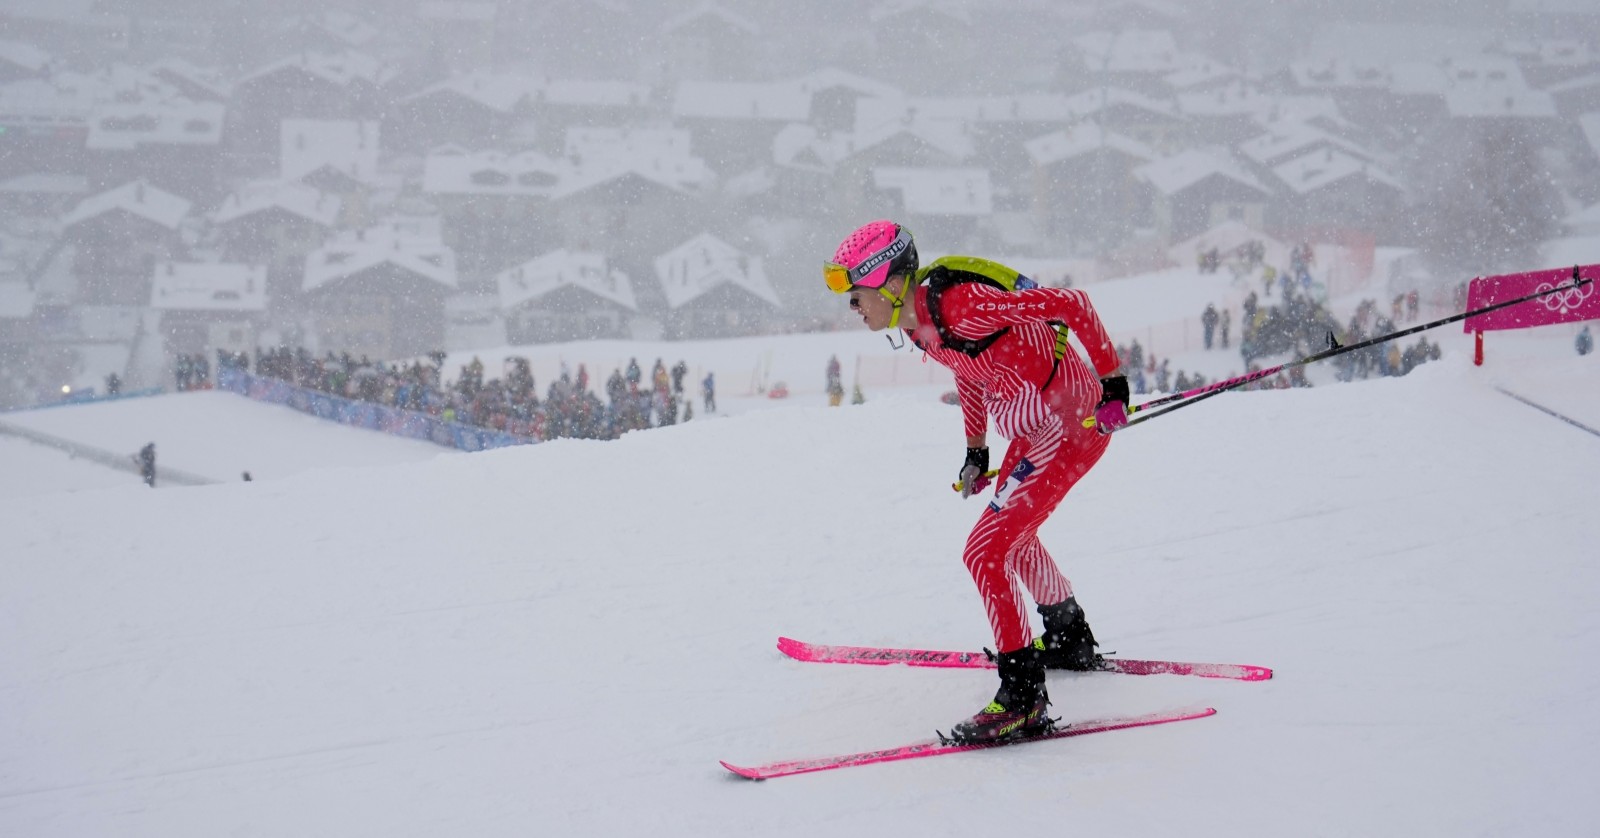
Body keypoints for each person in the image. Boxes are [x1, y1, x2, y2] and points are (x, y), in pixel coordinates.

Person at [825, 220, 1126, 744]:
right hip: (1034, 428)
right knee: (1011, 538)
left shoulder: (962, 305)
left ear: (891, 283)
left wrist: (1113, 384)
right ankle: (1069, 636)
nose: (854, 308)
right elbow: (969, 371)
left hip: (1070, 420)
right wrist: (975, 451)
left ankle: (1023, 697)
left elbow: (1071, 304)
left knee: (986, 552)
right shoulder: (922, 323)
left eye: (857, 294)